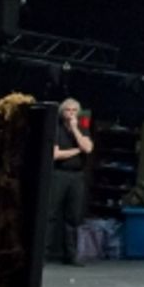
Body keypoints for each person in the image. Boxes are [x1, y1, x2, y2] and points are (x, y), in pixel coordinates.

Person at [47, 97, 93, 266]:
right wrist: (76, 150)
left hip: (77, 176)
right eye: (68, 110)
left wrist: (75, 129)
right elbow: (55, 155)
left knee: (73, 217)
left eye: (74, 110)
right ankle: (45, 253)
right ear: (62, 112)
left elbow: (87, 148)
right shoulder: (56, 129)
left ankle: (70, 255)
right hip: (59, 174)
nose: (71, 113)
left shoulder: (82, 128)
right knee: (51, 214)